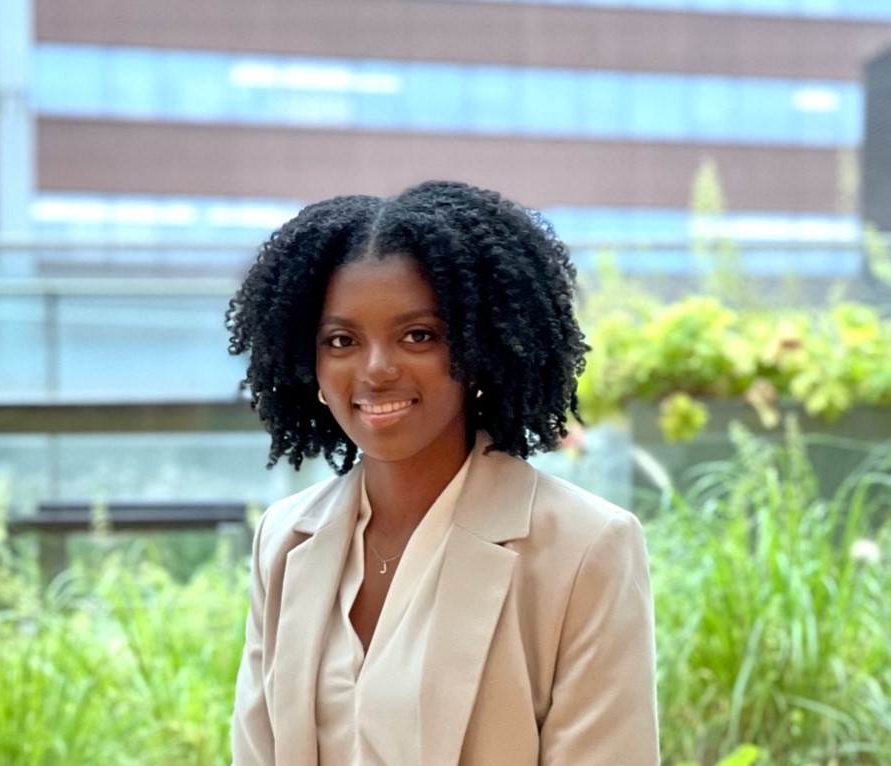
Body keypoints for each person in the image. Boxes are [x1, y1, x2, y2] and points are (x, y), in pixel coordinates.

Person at [225, 180, 659, 765]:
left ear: (480, 348)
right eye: (342, 340)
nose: (376, 369)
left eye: (418, 335)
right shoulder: (284, 539)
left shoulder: (584, 549)